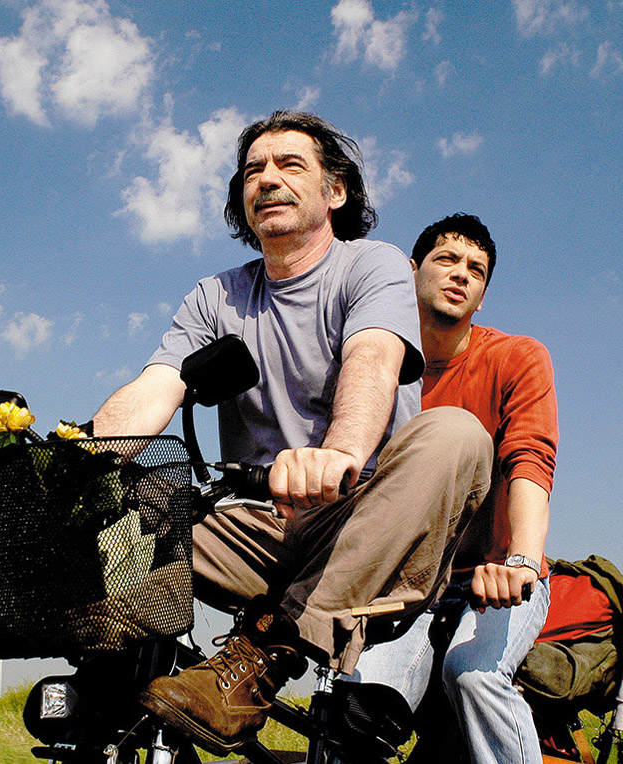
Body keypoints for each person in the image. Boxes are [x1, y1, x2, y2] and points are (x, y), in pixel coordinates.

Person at [91, 112, 493, 753]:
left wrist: (339, 454)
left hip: (361, 520)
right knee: (115, 530)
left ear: (335, 191)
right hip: (253, 527)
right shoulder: (214, 297)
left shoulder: (374, 266)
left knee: (458, 434)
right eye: (253, 170)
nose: (267, 179)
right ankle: (117, 705)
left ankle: (265, 653)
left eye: (289, 165)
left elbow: (373, 360)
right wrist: (76, 456)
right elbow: (156, 388)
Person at [348, 213, 559, 764]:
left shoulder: (517, 357)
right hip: (410, 583)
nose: (461, 274)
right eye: (447, 259)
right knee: (357, 700)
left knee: (472, 675)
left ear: (482, 297)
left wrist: (521, 560)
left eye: (476, 270)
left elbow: (531, 461)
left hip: (498, 576)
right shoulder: (376, 367)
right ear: (410, 271)